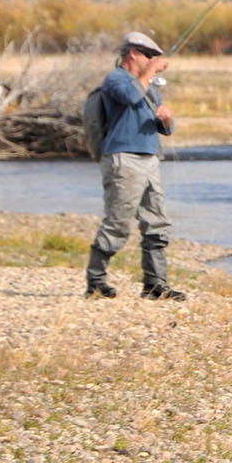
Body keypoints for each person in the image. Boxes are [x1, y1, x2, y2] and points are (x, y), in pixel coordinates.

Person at [85, 30, 186, 301]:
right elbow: (129, 96)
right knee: (118, 222)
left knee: (156, 222)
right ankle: (95, 282)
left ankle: (155, 286)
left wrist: (166, 120)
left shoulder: (150, 87)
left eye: (154, 56)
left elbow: (168, 129)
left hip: (150, 158)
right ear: (133, 53)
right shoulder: (116, 79)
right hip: (123, 159)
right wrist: (151, 71)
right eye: (149, 55)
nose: (153, 60)